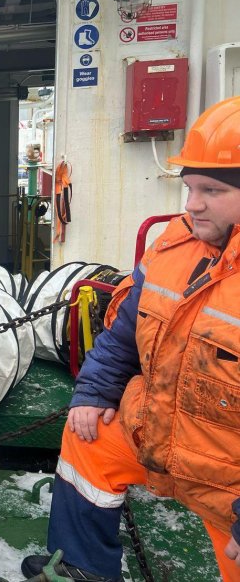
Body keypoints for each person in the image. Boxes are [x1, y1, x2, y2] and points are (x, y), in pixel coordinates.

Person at [21, 96, 240, 582]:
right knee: (88, 435)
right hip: (160, 432)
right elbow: (122, 336)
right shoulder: (173, 247)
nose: (192, 204)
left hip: (228, 480)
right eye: (189, 187)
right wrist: (93, 392)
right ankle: (84, 567)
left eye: (212, 190)